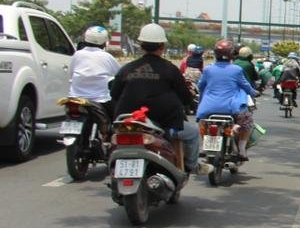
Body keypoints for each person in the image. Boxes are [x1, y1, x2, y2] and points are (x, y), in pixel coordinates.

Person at [110, 23, 208, 175]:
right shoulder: (170, 69)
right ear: (162, 46)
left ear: (141, 46)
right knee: (193, 133)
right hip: (164, 124)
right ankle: (191, 166)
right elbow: (185, 97)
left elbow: (114, 93)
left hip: (128, 123)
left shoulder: (127, 69)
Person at [197, 39, 259, 159]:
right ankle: (241, 150)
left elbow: (200, 86)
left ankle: (205, 145)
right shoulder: (236, 70)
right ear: (232, 54)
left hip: (208, 108)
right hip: (231, 109)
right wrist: (254, 92)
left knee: (203, 122)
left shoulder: (208, 69)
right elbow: (247, 87)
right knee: (248, 122)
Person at [68, 25, 121, 117]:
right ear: (105, 42)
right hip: (100, 99)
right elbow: (119, 75)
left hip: (75, 98)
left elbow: (70, 75)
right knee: (117, 117)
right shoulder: (107, 57)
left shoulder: (77, 54)